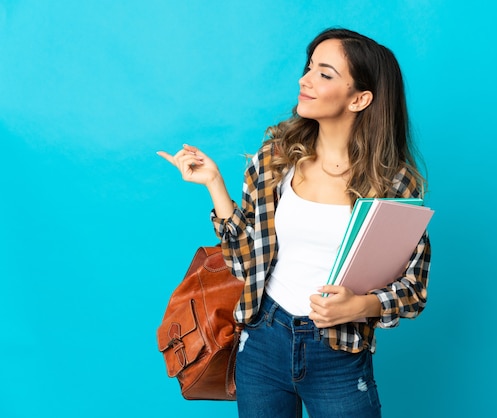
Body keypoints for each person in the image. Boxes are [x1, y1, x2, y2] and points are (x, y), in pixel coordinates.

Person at [158, 28, 431, 418]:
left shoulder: (394, 185)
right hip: (264, 339)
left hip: (338, 352)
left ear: (360, 98)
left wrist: (359, 306)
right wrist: (215, 186)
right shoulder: (274, 160)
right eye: (308, 68)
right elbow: (242, 264)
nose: (305, 79)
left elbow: (414, 290)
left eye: (325, 73)